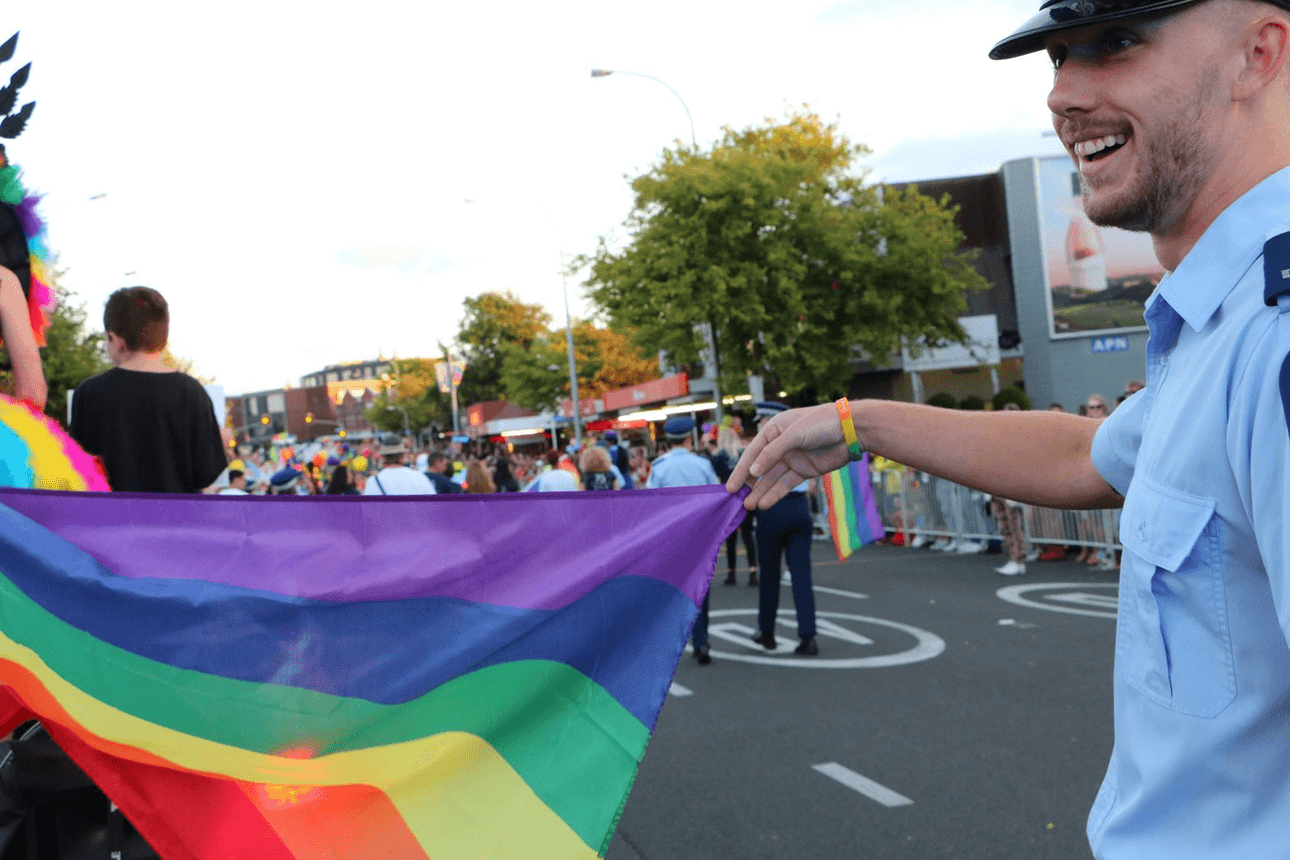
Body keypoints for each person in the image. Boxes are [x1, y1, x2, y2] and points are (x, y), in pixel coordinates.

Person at [730, 2, 1290, 856]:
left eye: (1115, 44)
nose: (1063, 93)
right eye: (1059, 57)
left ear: (1260, 53)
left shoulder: (1273, 331)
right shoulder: (1221, 321)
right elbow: (1086, 456)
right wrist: (857, 422)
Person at [70, 287, 226, 493]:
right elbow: (205, 474)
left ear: (116, 340)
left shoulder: (89, 393)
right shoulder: (193, 393)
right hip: (177, 522)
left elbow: (78, 471)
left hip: (109, 521)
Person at [648, 415, 722, 665]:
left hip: (672, 535)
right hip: (700, 533)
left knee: (673, 589)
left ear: (668, 441)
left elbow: (651, 504)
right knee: (701, 589)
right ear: (689, 439)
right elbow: (717, 495)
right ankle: (701, 642)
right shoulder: (702, 465)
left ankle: (672, 643)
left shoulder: (659, 466)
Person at [745, 404, 818, 655]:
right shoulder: (800, 445)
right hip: (799, 507)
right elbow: (811, 486)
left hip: (772, 508)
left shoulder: (762, 450)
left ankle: (767, 633)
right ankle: (808, 636)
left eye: (761, 422)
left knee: (770, 576)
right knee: (801, 576)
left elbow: (750, 480)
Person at [710, 425, 757, 586]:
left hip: (728, 499)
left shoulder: (718, 456)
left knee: (730, 538)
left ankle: (731, 573)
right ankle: (752, 572)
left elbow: (715, 477)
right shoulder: (744, 453)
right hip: (745, 496)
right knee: (748, 536)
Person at [363, 437, 436, 495]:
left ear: (383, 458)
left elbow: (369, 510)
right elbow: (433, 506)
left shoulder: (372, 481)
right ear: (403, 456)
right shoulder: (419, 477)